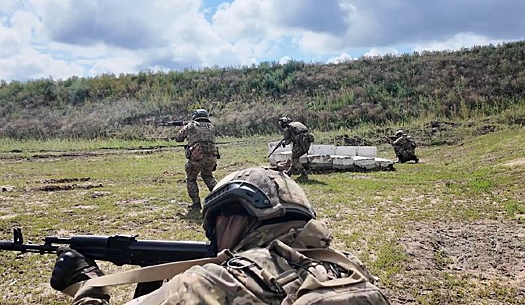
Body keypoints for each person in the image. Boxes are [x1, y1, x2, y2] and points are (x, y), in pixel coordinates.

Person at [49, 167, 391, 304]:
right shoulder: (348, 267)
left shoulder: (215, 282)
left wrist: (88, 287)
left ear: (234, 216)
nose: (214, 236)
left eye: (214, 224)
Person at [174, 108, 219, 210]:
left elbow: (179, 138)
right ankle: (219, 195)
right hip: (212, 158)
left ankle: (196, 203)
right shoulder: (211, 127)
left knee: (191, 178)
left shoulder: (191, 126)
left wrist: (185, 128)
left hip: (197, 157)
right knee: (208, 176)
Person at [278, 116, 314, 180]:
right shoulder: (296, 124)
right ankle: (289, 173)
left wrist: (283, 143)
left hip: (300, 143)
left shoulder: (287, 128)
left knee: (294, 158)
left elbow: (287, 141)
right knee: (295, 158)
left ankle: (304, 174)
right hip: (307, 142)